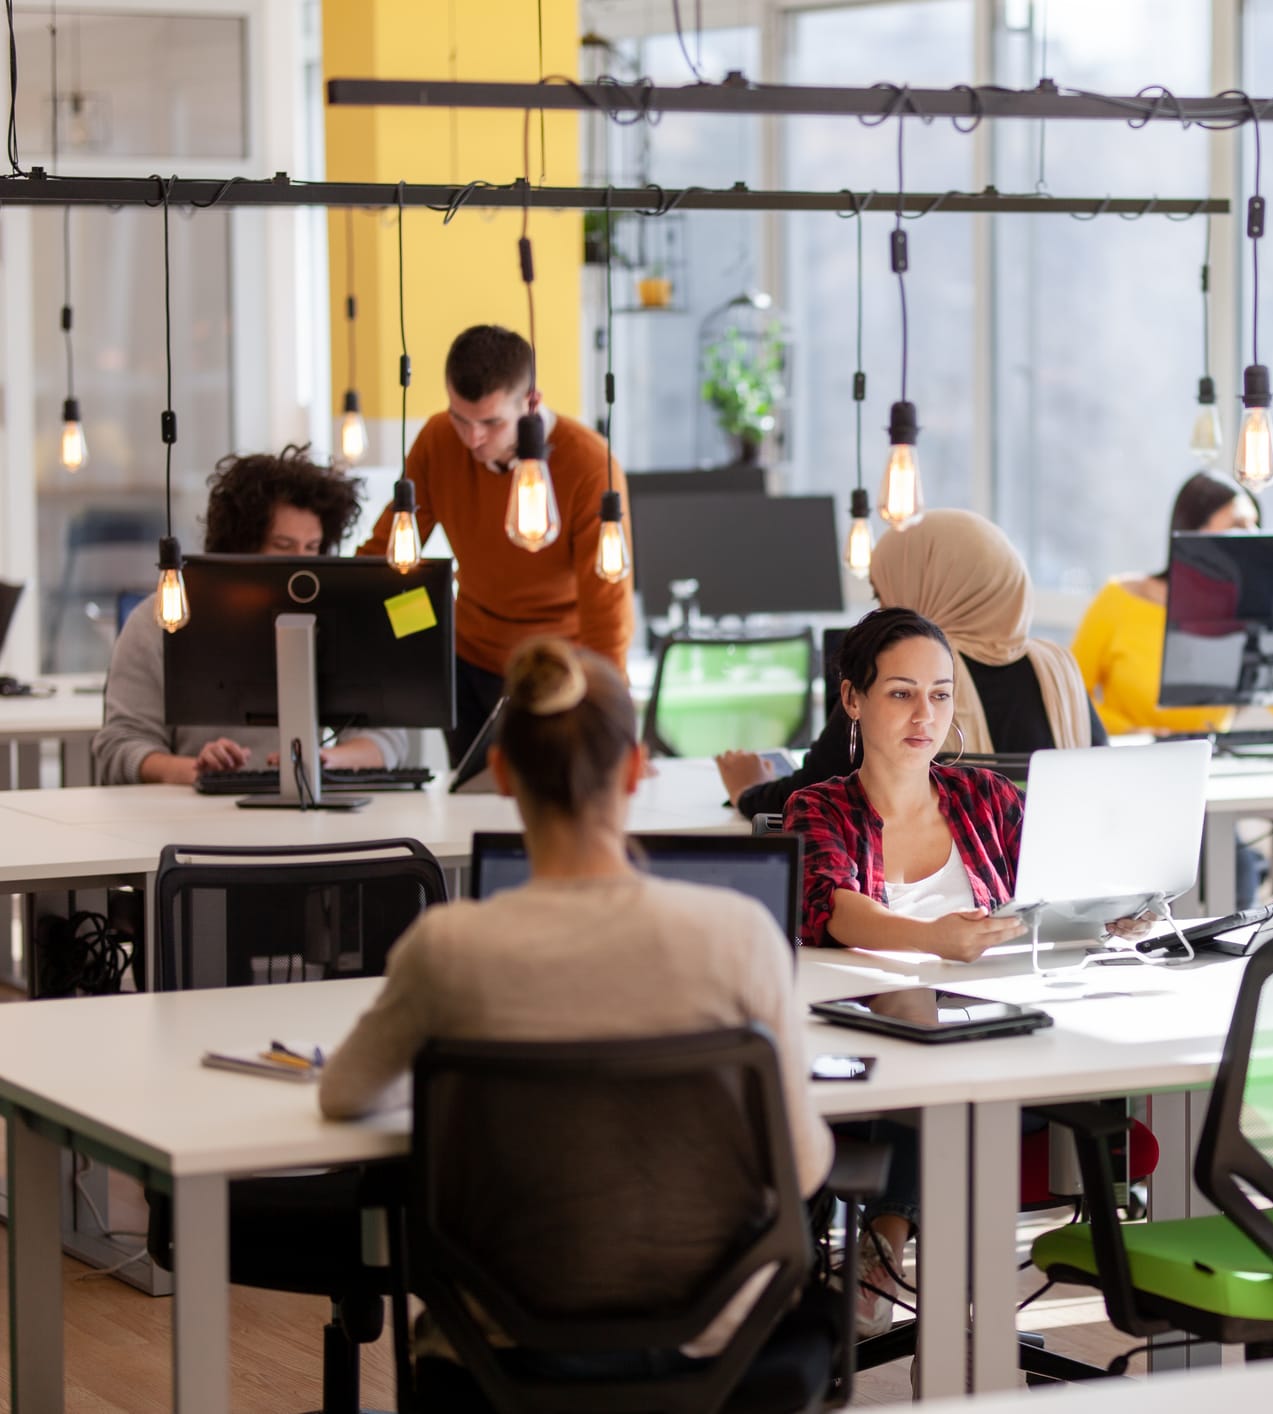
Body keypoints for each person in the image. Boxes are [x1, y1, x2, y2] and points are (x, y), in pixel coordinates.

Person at [320, 637, 829, 1362]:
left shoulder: (448, 948)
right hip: (715, 1342)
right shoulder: (741, 936)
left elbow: (343, 1094)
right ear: (635, 768)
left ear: (501, 773)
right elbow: (801, 1166)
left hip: (500, 1344)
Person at [782, 607, 1031, 1335]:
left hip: (1005, 1039)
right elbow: (835, 909)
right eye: (901, 693)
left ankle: (883, 1248)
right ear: (853, 699)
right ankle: (891, 1253)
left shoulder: (987, 799)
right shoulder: (819, 807)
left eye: (940, 694)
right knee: (910, 1007)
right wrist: (932, 939)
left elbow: (1052, 892)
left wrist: (1115, 909)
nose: (925, 715)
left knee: (948, 1048)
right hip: (870, 1061)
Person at [354, 324, 633, 764]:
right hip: (468, 662)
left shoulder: (590, 465)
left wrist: (614, 721)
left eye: (491, 422)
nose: (473, 439)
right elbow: (386, 553)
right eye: (460, 418)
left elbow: (607, 610)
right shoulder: (437, 439)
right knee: (471, 798)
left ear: (531, 401)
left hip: (558, 672)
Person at [717, 508, 1104, 818]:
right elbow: (1103, 786)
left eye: (884, 595)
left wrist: (748, 788)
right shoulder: (1058, 668)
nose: (884, 613)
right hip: (1057, 883)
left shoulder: (903, 671)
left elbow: (806, 801)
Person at [91, 446, 409, 785]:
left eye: (312, 548)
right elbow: (119, 748)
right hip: (193, 811)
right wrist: (195, 771)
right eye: (283, 546)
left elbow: (387, 738)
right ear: (239, 547)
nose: (301, 562)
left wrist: (325, 761)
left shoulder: (331, 623)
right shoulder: (161, 621)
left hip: (309, 809)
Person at [1070, 470, 1273, 736]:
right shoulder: (1118, 599)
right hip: (1129, 754)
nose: (1253, 537)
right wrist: (1134, 733)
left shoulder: (1244, 612)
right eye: (1238, 525)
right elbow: (1069, 698)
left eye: (1255, 525)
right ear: (1194, 532)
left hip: (1210, 756)